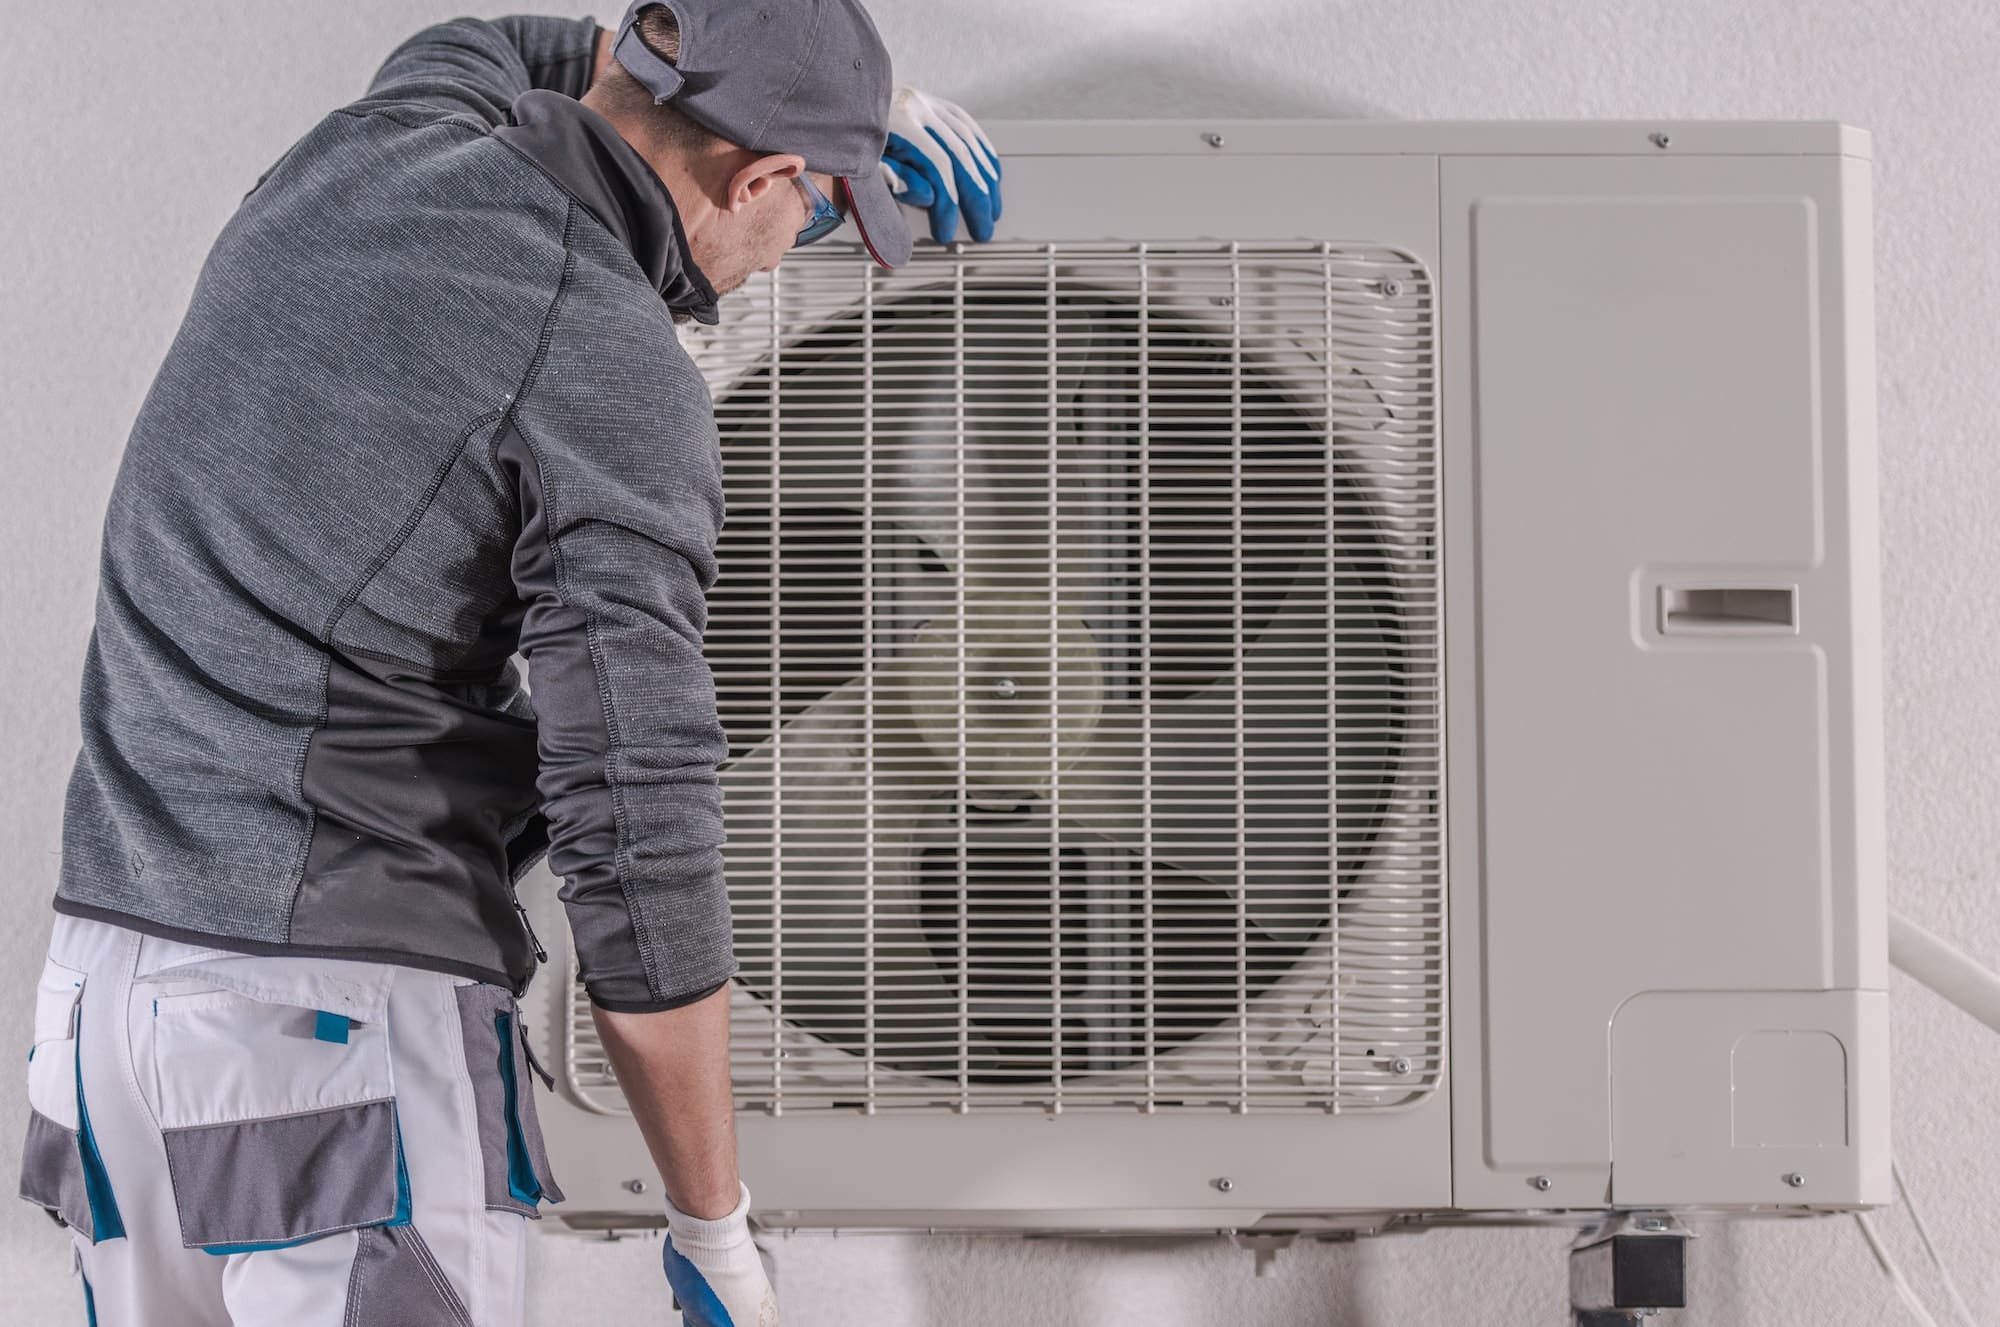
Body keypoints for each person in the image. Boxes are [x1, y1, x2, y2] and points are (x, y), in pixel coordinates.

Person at [16, 2, 1001, 1324]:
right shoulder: (607, 360)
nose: (793, 249)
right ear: (760, 176)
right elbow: (637, 838)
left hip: (103, 1004)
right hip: (331, 1042)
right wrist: (713, 1225)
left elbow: (507, 41)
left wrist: (836, 107)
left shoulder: (381, 137)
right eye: (821, 211)